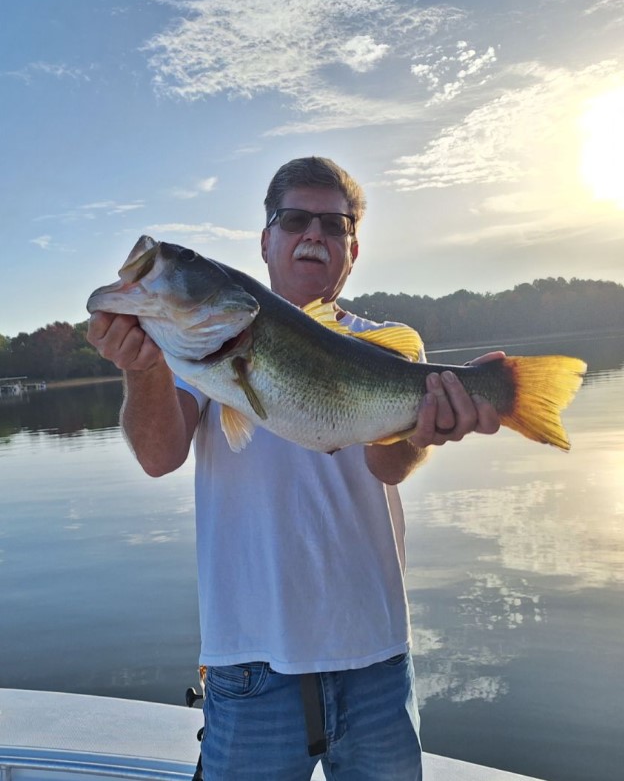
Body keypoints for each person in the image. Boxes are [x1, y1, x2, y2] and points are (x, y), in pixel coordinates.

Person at [88, 156, 502, 780]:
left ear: (352, 249)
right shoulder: (197, 349)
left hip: (375, 660)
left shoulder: (390, 343)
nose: (314, 235)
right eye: (295, 219)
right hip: (250, 664)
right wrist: (142, 368)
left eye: (333, 225)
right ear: (266, 241)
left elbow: (387, 465)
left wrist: (425, 433)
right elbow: (158, 456)